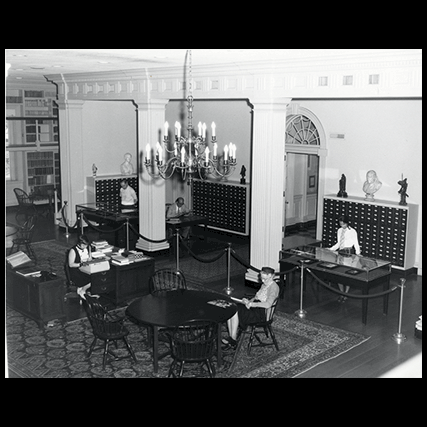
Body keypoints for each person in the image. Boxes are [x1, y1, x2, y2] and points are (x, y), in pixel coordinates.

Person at [224, 266, 279, 350]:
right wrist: (248, 301)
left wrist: (252, 304)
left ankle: (233, 339)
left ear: (272, 276)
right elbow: (257, 297)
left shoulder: (273, 287)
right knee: (232, 307)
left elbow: (268, 304)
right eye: (262, 278)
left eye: (265, 279)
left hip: (262, 313)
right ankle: (232, 338)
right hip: (256, 307)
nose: (263, 281)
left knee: (236, 311)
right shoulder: (265, 284)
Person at [328, 215, 361, 302]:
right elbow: (339, 243)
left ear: (347, 223)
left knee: (346, 275)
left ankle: (345, 294)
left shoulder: (352, 231)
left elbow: (356, 243)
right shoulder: (339, 230)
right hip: (341, 253)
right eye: (340, 224)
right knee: (339, 274)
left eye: (343, 224)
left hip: (348, 253)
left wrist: (358, 253)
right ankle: (341, 293)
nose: (342, 226)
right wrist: (331, 249)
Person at [67, 234, 93, 299]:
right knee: (91, 280)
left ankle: (84, 289)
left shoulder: (88, 247)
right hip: (76, 270)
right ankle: (82, 291)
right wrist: (80, 264)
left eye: (86, 245)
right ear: (79, 243)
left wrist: (90, 259)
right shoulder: (73, 251)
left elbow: (90, 257)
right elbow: (71, 264)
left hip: (85, 268)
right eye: (83, 245)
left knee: (96, 276)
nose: (85, 246)